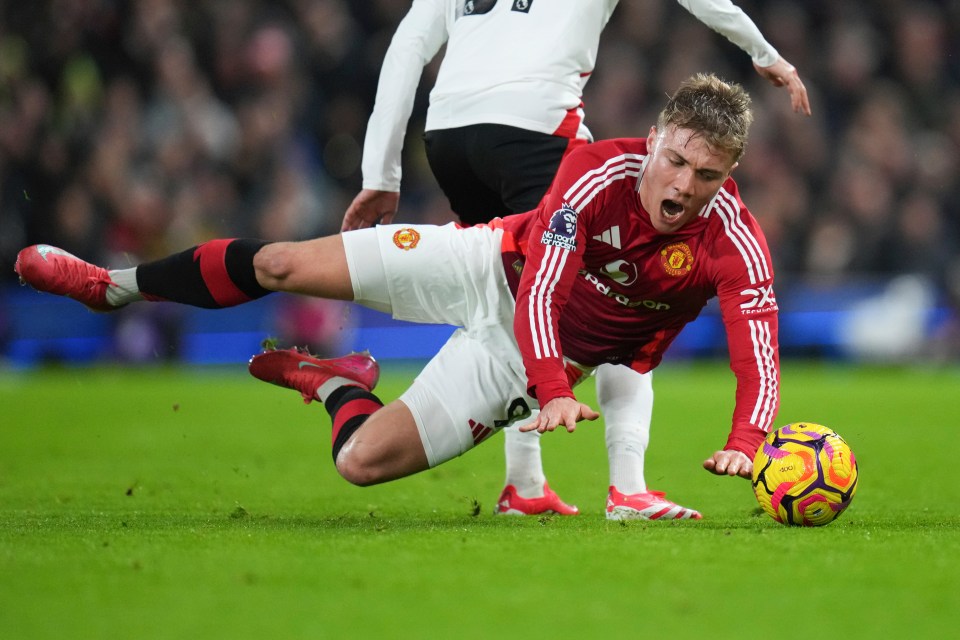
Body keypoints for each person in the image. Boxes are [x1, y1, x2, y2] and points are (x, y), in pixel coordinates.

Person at [16, 74, 778, 511]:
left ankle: (334, 384)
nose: (682, 186)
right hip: (481, 266)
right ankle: (113, 286)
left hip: (515, 361)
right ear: (655, 137)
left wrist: (747, 442)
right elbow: (542, 285)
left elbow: (759, 352)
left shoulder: (733, 241)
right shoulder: (595, 176)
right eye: (675, 160)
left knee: (360, 465)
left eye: (706, 175)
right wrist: (554, 388)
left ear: (729, 172)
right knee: (283, 262)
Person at [341, 0, 805, 517]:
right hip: (535, 125)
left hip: (449, 135)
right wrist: (762, 50)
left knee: (524, 284)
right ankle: (627, 487)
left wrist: (380, 174)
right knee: (626, 284)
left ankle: (525, 481)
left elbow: (407, 45)